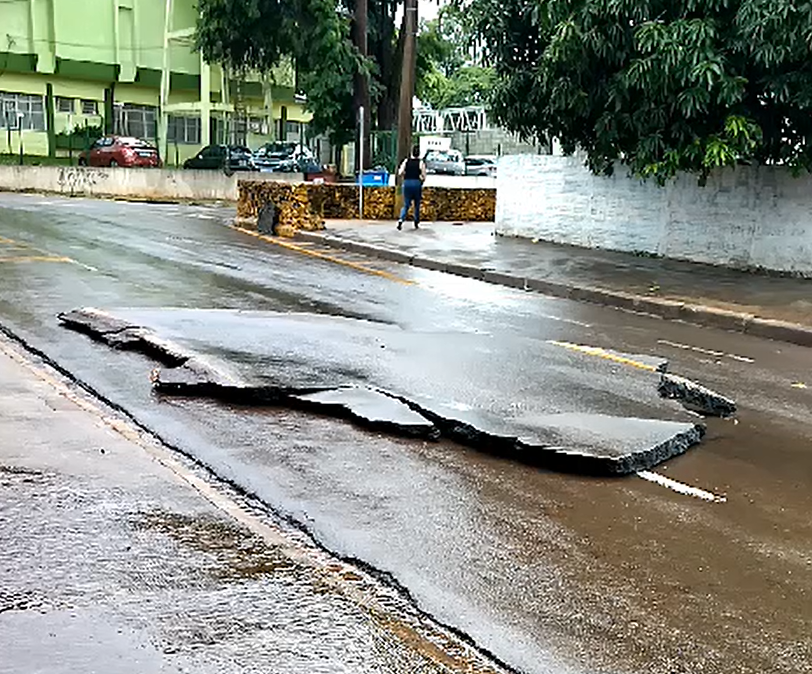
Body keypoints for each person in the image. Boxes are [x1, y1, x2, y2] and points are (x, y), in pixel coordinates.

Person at [396, 146, 426, 230]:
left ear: (412, 153)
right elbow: (423, 176)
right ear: (419, 153)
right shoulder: (421, 162)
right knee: (416, 204)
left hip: (407, 183)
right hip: (416, 183)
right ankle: (416, 221)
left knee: (406, 204)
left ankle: (401, 219)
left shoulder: (406, 161)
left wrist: (405, 175)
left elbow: (400, 172)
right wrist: (421, 181)